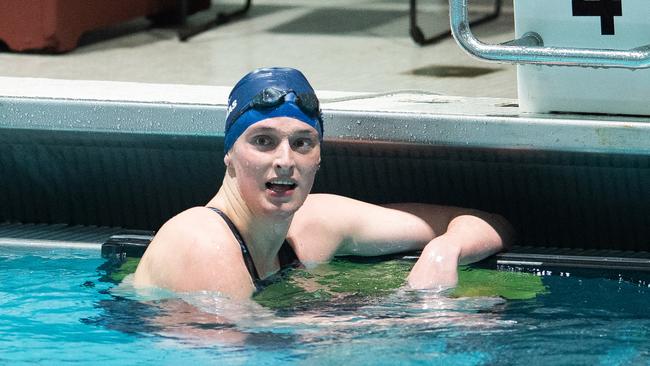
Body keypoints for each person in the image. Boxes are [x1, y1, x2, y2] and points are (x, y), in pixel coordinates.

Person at [133, 67, 513, 300]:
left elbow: (492, 224)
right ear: (229, 155)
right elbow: (249, 351)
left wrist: (443, 254)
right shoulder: (201, 239)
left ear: (318, 158)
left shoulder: (314, 225)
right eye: (263, 141)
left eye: (302, 143)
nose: (285, 161)